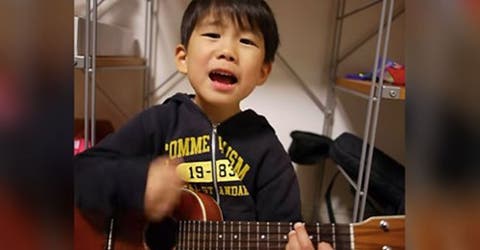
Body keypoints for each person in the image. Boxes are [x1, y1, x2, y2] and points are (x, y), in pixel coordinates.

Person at [75, 0, 332, 249]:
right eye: (212, 34)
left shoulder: (268, 152)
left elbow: (287, 232)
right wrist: (138, 182)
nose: (227, 51)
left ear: (263, 71)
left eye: (246, 41)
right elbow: (80, 173)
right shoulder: (159, 122)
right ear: (182, 58)